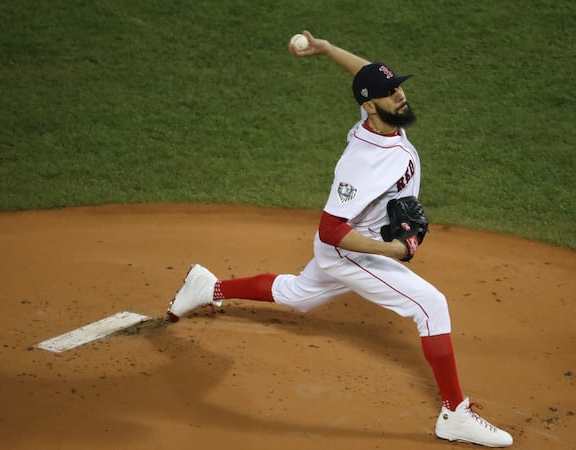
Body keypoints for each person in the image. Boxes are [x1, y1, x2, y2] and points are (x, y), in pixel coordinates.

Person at [167, 30, 513, 447]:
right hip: (349, 251)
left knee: (299, 295)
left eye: (398, 86)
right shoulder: (362, 163)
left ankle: (209, 286)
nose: (400, 95)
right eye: (391, 92)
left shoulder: (383, 118)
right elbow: (331, 230)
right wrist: (392, 250)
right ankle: (455, 414)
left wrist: (329, 50)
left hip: (349, 246)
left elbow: (367, 77)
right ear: (370, 107)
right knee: (432, 306)